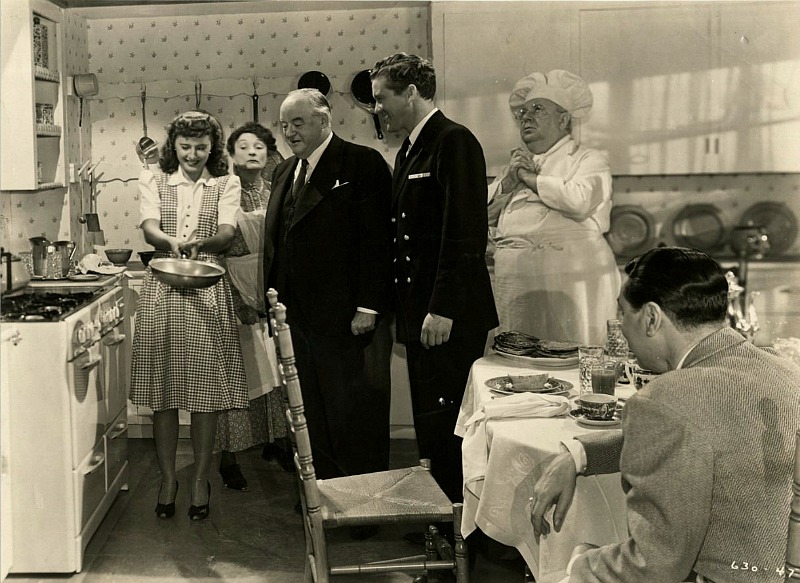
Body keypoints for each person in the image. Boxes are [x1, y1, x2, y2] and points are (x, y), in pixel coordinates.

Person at [529, 246, 800, 583]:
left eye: (623, 313)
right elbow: (701, 436)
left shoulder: (664, 399)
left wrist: (575, 568)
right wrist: (580, 454)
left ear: (652, 318)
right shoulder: (781, 367)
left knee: (559, 560)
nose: (622, 329)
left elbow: (653, 565)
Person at [370, 53, 498, 503]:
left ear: (411, 92)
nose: (377, 109)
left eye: (382, 98)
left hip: (448, 314)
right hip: (421, 312)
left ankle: (459, 530)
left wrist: (441, 307)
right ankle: (443, 520)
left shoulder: (453, 141)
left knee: (450, 423)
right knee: (432, 421)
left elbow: (464, 234)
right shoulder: (410, 148)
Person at [263, 88, 392, 485]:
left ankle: (363, 501)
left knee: (354, 411)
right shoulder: (285, 171)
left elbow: (379, 239)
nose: (290, 133)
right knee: (310, 412)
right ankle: (323, 497)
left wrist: (369, 306)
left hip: (347, 318)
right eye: (284, 125)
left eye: (298, 123)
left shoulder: (361, 162)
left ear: (324, 120)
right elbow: (278, 241)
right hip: (296, 318)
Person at [130, 110, 248, 521]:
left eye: (201, 147)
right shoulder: (154, 179)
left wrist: (203, 243)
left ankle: (199, 479)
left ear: (212, 147)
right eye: (185, 147)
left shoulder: (225, 182)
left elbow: (228, 232)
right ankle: (167, 479)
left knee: (205, 396)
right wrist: (169, 241)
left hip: (207, 289)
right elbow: (149, 227)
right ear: (173, 147)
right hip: (162, 288)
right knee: (162, 395)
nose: (193, 155)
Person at [487, 70, 619, 345]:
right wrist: (509, 183)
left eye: (538, 109)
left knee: (570, 358)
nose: (526, 116)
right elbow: (480, 216)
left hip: (569, 282)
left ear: (563, 119)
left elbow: (579, 200)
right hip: (516, 286)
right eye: (522, 112)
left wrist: (529, 179)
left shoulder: (588, 160)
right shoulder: (515, 166)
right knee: (517, 359)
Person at [214, 121, 290, 492]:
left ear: (270, 152)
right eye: (243, 147)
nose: (252, 153)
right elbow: (215, 254)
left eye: (259, 146)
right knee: (237, 378)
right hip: (234, 290)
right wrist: (235, 299)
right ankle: (228, 457)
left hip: (270, 286)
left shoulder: (278, 190)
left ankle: (276, 443)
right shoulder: (221, 193)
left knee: (277, 373)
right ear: (231, 154)